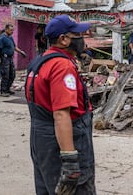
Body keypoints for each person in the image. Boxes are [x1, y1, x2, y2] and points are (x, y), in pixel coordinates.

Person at [25, 15, 96, 194]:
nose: (82, 40)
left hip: (41, 141)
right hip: (63, 141)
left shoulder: (38, 62)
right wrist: (70, 159)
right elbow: (61, 114)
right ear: (64, 39)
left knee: (49, 188)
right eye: (78, 35)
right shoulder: (62, 66)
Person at [0, 24, 27, 97]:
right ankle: (3, 91)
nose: (12, 31)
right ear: (6, 29)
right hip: (4, 58)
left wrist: (21, 52)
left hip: (10, 58)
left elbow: (14, 47)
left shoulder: (10, 38)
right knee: (5, 75)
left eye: (13, 30)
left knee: (12, 75)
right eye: (10, 30)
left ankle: (7, 89)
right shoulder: (2, 38)